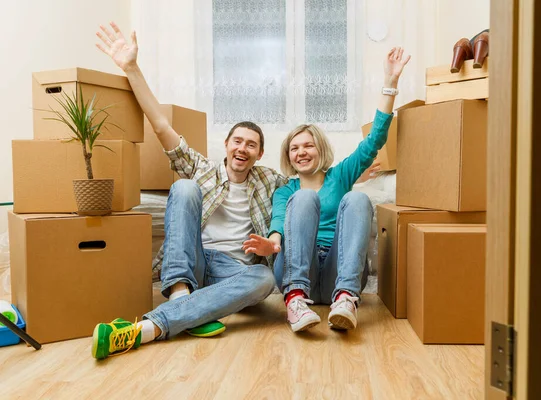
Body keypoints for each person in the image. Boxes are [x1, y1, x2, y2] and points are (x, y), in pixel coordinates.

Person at [91, 22, 287, 359]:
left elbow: (314, 178)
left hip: (234, 269)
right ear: (226, 145)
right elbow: (161, 125)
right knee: (183, 187)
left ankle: (160, 321)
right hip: (195, 259)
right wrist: (131, 68)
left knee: (265, 279)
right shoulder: (203, 168)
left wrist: (359, 174)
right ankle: (181, 296)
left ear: (260, 154)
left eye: (251, 145)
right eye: (237, 141)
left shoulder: (270, 180)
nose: (243, 148)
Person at [242, 47, 411, 332]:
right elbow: (279, 223)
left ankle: (346, 300)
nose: (301, 152)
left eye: (308, 145)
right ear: (288, 156)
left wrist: (390, 83)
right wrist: (272, 244)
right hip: (297, 271)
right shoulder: (286, 191)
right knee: (304, 197)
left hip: (338, 271)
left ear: (320, 148)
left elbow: (374, 141)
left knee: (358, 198)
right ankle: (294, 301)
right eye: (294, 148)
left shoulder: (340, 175)